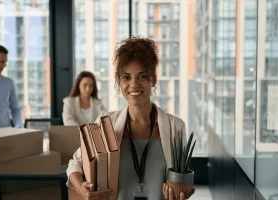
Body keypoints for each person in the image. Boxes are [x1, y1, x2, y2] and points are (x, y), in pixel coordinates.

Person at [66, 37, 195, 200]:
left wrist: (183, 193)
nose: (134, 85)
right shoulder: (107, 123)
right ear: (119, 81)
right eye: (126, 77)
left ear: (153, 80)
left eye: (142, 76)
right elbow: (74, 164)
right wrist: (81, 188)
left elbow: (181, 180)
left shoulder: (175, 126)